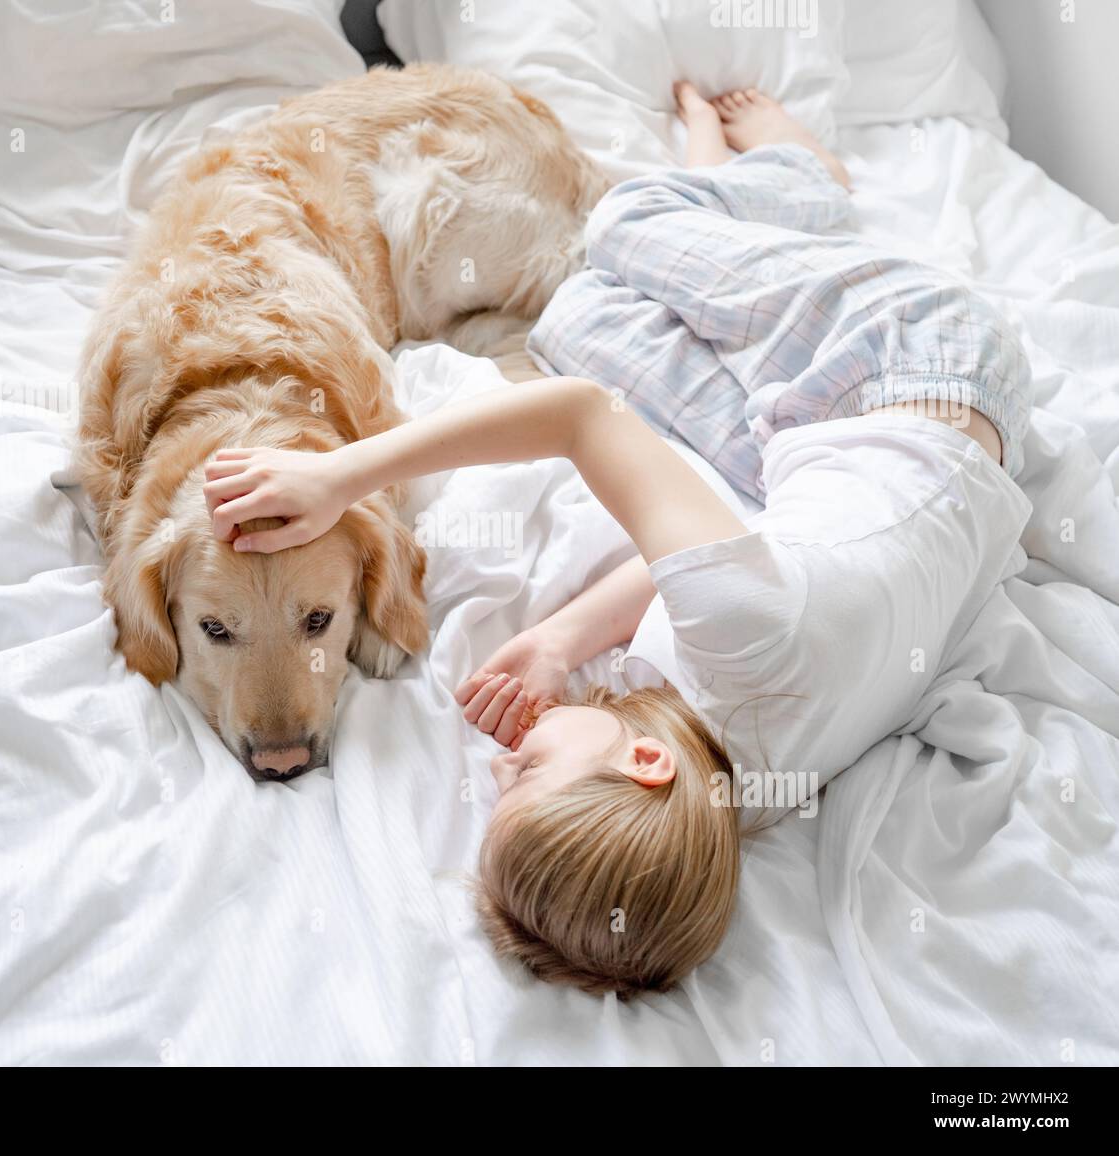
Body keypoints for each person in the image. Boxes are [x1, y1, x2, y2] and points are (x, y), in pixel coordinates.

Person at [199, 83, 1034, 998]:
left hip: (809, 470)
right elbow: (578, 419)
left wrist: (562, 642)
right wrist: (340, 477)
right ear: (643, 761)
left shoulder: (726, 796)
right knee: (624, 225)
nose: (503, 758)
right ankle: (802, 176)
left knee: (572, 322)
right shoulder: (747, 636)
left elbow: (713, 556)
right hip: (919, 358)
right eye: (529, 772)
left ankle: (738, 227)